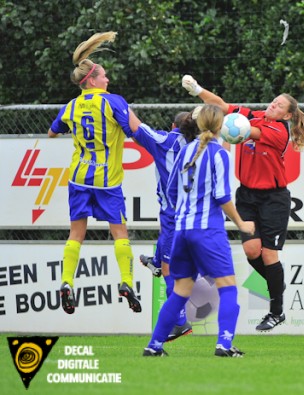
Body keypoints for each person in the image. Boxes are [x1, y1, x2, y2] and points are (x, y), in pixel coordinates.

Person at [181, 75, 304, 331]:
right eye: (274, 101)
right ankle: (275, 285)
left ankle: (276, 310)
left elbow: (246, 130)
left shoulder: (278, 131)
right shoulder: (255, 115)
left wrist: (227, 126)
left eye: (280, 106)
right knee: (251, 251)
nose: (274, 105)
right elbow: (223, 106)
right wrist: (198, 91)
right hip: (247, 195)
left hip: (274, 198)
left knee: (269, 254)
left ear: (287, 115)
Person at [142, 104, 255, 357]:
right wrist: (241, 224)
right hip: (207, 231)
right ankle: (224, 345)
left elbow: (170, 191)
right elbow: (223, 196)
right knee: (228, 287)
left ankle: (154, 345)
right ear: (221, 127)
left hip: (181, 231)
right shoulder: (219, 154)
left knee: (181, 291)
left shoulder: (185, 151)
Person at [48, 31, 141, 315]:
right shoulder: (113, 102)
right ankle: (126, 282)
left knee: (76, 232)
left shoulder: (71, 106)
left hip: (78, 177)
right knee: (119, 232)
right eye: (104, 77)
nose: (108, 80)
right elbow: (135, 132)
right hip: (107, 181)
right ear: (92, 80)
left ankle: (66, 282)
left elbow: (52, 133)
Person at [133, 111, 198, 341]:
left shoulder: (165, 140)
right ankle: (156, 262)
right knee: (165, 251)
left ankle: (180, 322)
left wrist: (116, 104)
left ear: (173, 126)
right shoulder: (201, 144)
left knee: (172, 270)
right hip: (193, 213)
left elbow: (136, 127)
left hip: (174, 214)